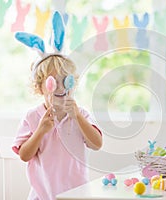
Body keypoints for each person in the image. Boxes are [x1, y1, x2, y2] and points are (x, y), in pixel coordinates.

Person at [12, 54, 103, 200]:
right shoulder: (32, 117)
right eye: (53, 82)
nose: (60, 88)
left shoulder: (81, 115)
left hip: (76, 195)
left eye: (66, 81)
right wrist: (40, 131)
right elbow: (24, 155)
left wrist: (77, 116)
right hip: (42, 195)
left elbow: (97, 144)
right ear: (40, 88)